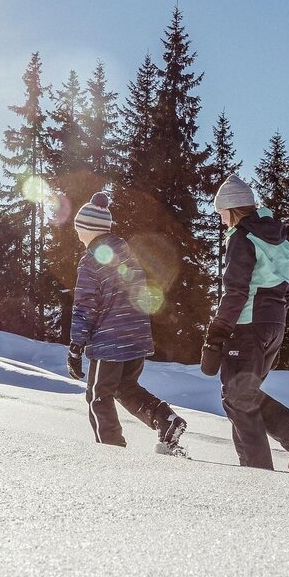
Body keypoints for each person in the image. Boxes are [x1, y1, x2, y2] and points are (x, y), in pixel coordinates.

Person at [201, 174, 289, 471]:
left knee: (238, 398)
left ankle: (260, 473)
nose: (221, 221)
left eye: (221, 214)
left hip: (248, 326)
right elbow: (287, 289)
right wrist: (272, 320)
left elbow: (236, 292)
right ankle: (285, 441)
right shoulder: (277, 239)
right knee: (241, 397)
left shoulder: (242, 237)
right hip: (273, 326)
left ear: (232, 209)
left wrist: (215, 336)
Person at [67, 192, 187, 454]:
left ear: (89, 230)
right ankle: (165, 419)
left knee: (98, 396)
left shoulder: (91, 260)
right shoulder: (127, 254)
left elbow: (85, 305)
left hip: (109, 341)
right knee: (125, 387)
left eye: (79, 229)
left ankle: (112, 452)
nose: (77, 234)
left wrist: (76, 346)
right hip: (136, 337)